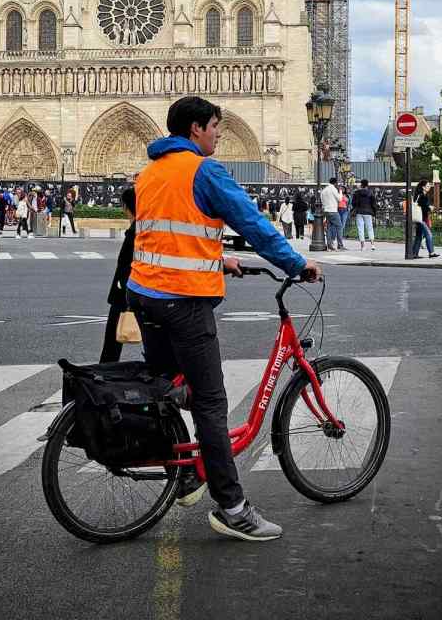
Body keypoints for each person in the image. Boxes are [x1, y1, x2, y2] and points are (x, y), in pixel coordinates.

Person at [127, 95, 321, 542]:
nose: (218, 133)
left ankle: (186, 471)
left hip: (145, 296)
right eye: (215, 126)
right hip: (184, 302)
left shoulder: (150, 172)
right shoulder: (204, 170)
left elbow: (168, 233)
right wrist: (296, 264)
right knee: (212, 404)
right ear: (196, 129)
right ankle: (232, 507)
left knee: (171, 385)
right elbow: (251, 223)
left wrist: (218, 260)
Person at [99, 186, 137, 363]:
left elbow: (125, 267)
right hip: (140, 292)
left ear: (126, 207)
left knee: (111, 347)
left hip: (125, 296)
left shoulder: (135, 232)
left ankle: (105, 377)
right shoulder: (145, 229)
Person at [412, 179, 439, 259]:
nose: (429, 187)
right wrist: (429, 208)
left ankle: (414, 254)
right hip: (421, 219)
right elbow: (422, 207)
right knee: (429, 234)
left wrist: (428, 207)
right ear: (423, 187)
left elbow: (421, 206)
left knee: (419, 236)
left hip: (421, 218)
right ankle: (431, 252)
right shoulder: (421, 195)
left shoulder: (422, 195)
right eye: (427, 186)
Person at [351, 179, 377, 251]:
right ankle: (372, 245)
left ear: (361, 185)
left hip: (359, 212)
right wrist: (374, 213)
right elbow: (374, 204)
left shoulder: (356, 193)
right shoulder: (371, 193)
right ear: (367, 185)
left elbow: (353, 203)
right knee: (370, 228)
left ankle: (363, 246)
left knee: (360, 229)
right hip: (368, 212)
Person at [320, 177, 344, 250]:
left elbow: (322, 200)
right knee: (339, 226)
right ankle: (340, 245)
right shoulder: (333, 189)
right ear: (335, 183)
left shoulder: (324, 190)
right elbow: (340, 199)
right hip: (333, 210)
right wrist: (340, 191)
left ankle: (329, 245)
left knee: (329, 228)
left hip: (326, 211)